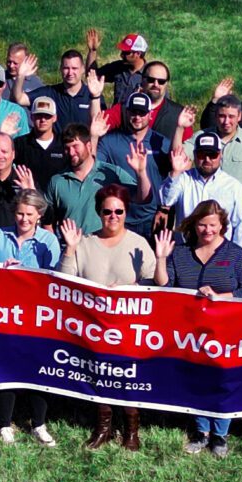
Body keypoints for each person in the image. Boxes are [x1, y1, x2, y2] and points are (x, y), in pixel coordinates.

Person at [60, 187, 159, 450]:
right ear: (99, 213)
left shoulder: (139, 243)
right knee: (99, 375)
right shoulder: (86, 243)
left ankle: (131, 429)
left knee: (127, 375)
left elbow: (155, 283)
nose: (113, 216)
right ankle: (103, 427)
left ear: (126, 213)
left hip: (127, 326)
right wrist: (70, 249)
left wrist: (134, 287)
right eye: (107, 211)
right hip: (94, 325)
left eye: (119, 211)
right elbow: (65, 279)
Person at [156, 199, 242, 455]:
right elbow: (165, 288)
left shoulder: (234, 254)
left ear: (222, 225)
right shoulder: (180, 252)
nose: (207, 230)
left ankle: (220, 433)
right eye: (202, 225)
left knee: (223, 379)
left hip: (225, 329)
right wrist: (160, 259)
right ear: (194, 225)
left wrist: (221, 298)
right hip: (189, 331)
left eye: (212, 225)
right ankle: (201, 430)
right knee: (196, 377)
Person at [0, 192, 66, 443]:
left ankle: (39, 424)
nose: (24, 219)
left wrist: (25, 274)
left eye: (29, 214)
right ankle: (4, 422)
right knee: (6, 368)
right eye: (20, 213)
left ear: (39, 215)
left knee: (40, 370)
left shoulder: (49, 241)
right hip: (5, 313)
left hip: (37, 315)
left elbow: (55, 277)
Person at [158, 130, 242, 246]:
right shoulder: (183, 179)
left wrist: (238, 256)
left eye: (212, 155)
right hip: (186, 251)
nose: (207, 160)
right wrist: (175, 173)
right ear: (194, 155)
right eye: (202, 155)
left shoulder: (233, 186)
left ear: (220, 155)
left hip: (221, 255)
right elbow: (166, 200)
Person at [94, 94, 162, 232]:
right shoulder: (109, 141)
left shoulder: (161, 143)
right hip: (120, 217)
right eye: (133, 112)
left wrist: (165, 209)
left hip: (151, 217)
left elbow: (172, 177)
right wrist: (94, 136)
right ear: (126, 112)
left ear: (150, 114)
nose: (137, 117)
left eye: (142, 113)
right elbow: (92, 166)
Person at [45, 46, 103, 131]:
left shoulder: (93, 94)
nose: (70, 73)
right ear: (60, 69)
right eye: (66, 68)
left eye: (74, 68)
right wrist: (21, 76)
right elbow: (20, 98)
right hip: (58, 144)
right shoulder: (51, 92)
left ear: (83, 69)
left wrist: (95, 96)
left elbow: (98, 123)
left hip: (85, 143)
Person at [15, 95, 65, 187]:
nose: (43, 120)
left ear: (54, 118)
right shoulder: (19, 144)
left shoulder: (64, 144)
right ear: (31, 117)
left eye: (47, 116)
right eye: (39, 115)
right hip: (28, 197)